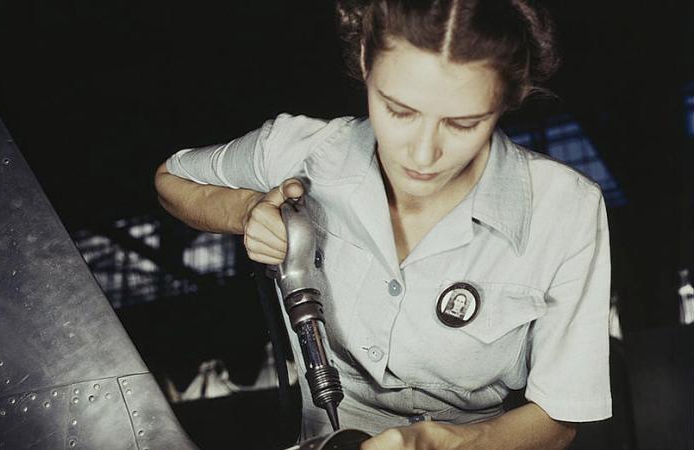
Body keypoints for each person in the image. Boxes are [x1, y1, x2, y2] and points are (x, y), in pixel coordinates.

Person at [155, 0, 611, 448]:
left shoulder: (565, 209)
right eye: (399, 111)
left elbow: (560, 417)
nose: (422, 154)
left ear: (509, 98)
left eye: (463, 123)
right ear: (364, 62)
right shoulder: (300, 151)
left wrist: (455, 444)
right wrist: (246, 210)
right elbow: (170, 179)